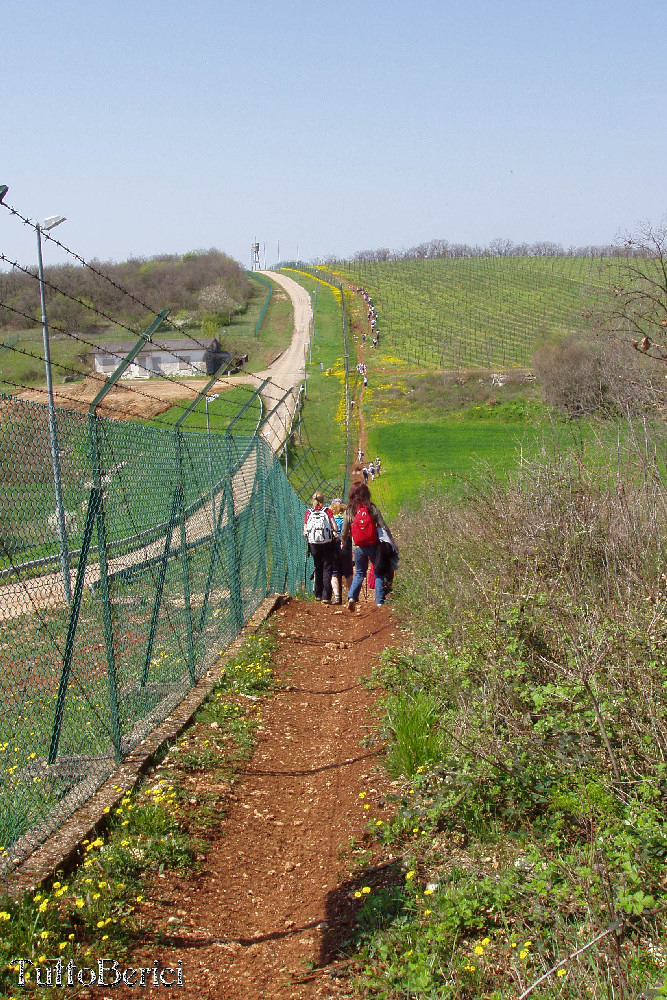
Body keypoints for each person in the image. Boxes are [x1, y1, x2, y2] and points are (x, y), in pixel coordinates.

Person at [341, 482, 396, 611]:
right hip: (373, 546)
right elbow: (383, 525)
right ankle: (380, 602)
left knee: (359, 573)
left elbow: (344, 530)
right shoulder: (371, 508)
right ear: (367, 493)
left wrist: (343, 541)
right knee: (378, 572)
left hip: (357, 546)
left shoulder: (349, 510)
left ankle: (351, 597)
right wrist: (391, 540)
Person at [303, 491, 338, 603]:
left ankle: (318, 594)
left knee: (318, 567)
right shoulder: (327, 511)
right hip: (327, 543)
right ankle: (326, 596)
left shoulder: (308, 512)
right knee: (327, 567)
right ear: (323, 500)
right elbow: (335, 527)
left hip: (314, 544)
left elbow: (305, 531)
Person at [329, 498, 353, 603]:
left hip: (333, 545)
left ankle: (337, 596)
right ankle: (351, 596)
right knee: (348, 571)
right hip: (346, 544)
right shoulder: (347, 516)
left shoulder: (330, 518)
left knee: (334, 571)